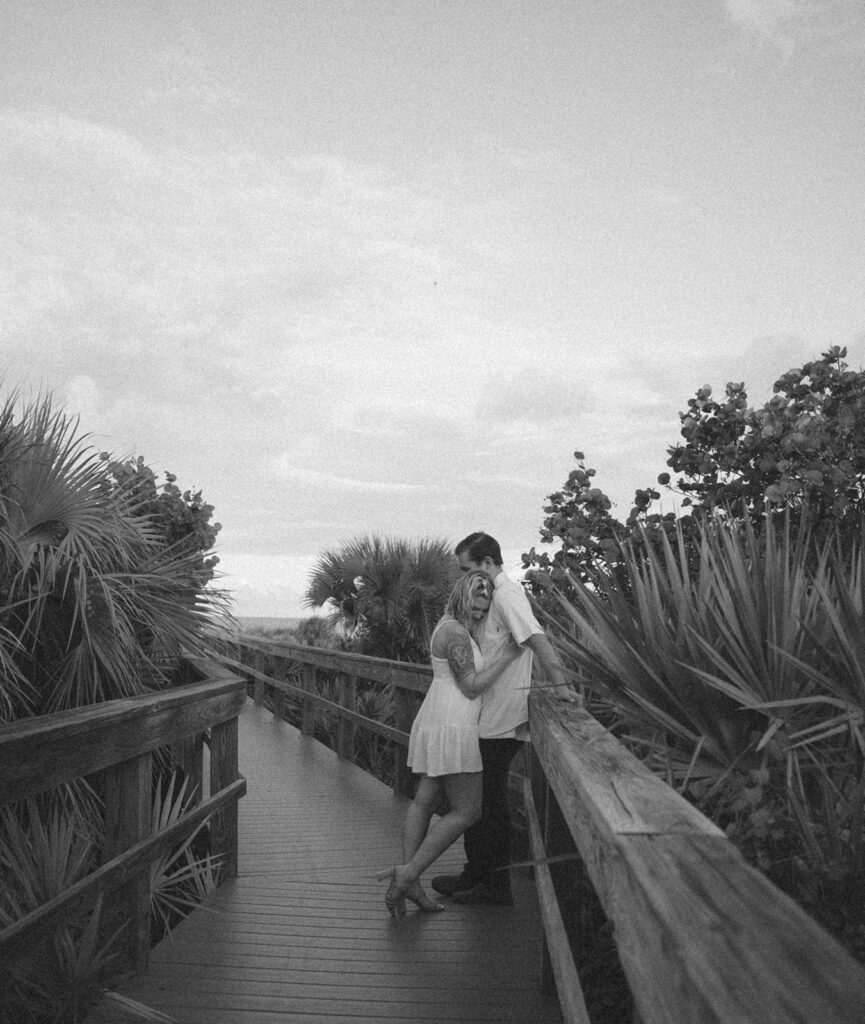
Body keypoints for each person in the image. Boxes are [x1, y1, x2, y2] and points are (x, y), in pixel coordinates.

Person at [431, 531, 568, 907]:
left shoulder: (507, 595)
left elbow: (536, 638)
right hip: (484, 716)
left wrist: (564, 687)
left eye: (468, 568)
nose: (463, 576)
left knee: (489, 805)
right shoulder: (491, 596)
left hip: (501, 720)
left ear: (489, 563)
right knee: (479, 802)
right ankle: (475, 875)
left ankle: (495, 886)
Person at [377, 570, 522, 917]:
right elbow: (471, 686)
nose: (480, 611)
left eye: (485, 605)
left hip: (438, 717)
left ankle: (411, 883)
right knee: (469, 811)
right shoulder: (455, 632)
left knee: (425, 799)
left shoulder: (448, 625)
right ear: (462, 595)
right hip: (453, 724)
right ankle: (408, 874)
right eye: (476, 601)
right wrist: (509, 654)